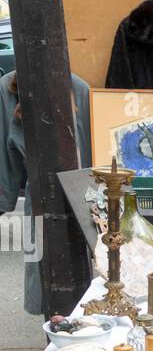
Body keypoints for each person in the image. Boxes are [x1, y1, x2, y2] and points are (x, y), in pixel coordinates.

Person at [0, 70, 92, 316]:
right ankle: (50, 315)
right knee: (39, 259)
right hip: (46, 190)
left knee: (75, 263)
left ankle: (75, 314)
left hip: (75, 190)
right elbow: (4, 149)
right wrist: (4, 197)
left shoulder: (80, 88)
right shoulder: (6, 89)